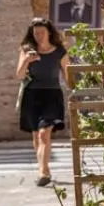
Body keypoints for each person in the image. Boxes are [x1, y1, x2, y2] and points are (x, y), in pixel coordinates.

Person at [16, 17, 69, 188]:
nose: (38, 36)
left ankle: (43, 172)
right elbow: (19, 75)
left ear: (49, 33)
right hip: (32, 96)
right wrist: (26, 61)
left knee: (43, 134)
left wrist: (76, 92)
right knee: (35, 136)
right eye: (35, 33)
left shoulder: (59, 51)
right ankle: (42, 168)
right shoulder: (27, 50)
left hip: (52, 96)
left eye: (41, 32)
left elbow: (68, 75)